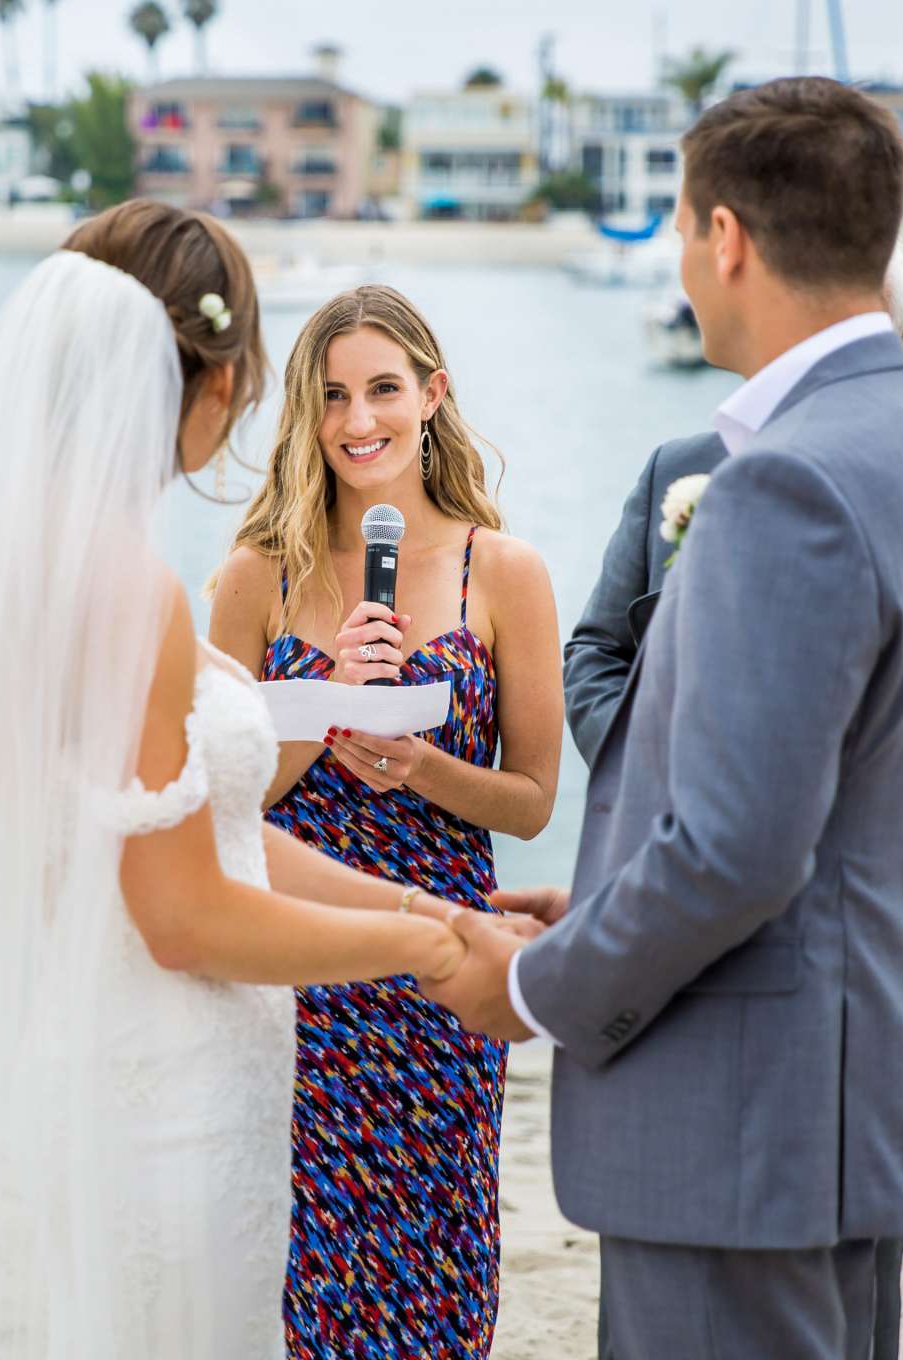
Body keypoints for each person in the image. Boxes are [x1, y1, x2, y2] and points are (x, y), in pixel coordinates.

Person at [0, 203, 479, 1357]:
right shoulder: (126, 589)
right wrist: (427, 958)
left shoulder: (27, 556)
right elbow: (182, 917)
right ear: (214, 385)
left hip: (100, 1065)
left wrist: (428, 907)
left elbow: (209, 832)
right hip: (168, 1100)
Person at [423, 77, 903, 1359]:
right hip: (842, 1113)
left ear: (727, 236)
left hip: (742, 1136)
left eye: (682, 229)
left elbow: (739, 851)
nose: (681, 262)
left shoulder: (781, 480)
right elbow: (833, 815)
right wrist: (606, 898)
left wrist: (534, 982)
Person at [561, 244, 903, 1359]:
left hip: (881, 940)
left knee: (846, 1247)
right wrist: (669, 769)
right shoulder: (674, 474)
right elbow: (598, 655)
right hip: (672, 900)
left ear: (897, 346)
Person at [210, 285, 564, 1360]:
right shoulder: (252, 576)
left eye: (382, 389)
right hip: (290, 963)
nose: (358, 420)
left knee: (435, 1257)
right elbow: (210, 799)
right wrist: (321, 720)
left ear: (432, 395)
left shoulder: (502, 572)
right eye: (331, 396)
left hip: (440, 967)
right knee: (295, 1255)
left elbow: (535, 798)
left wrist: (423, 765)